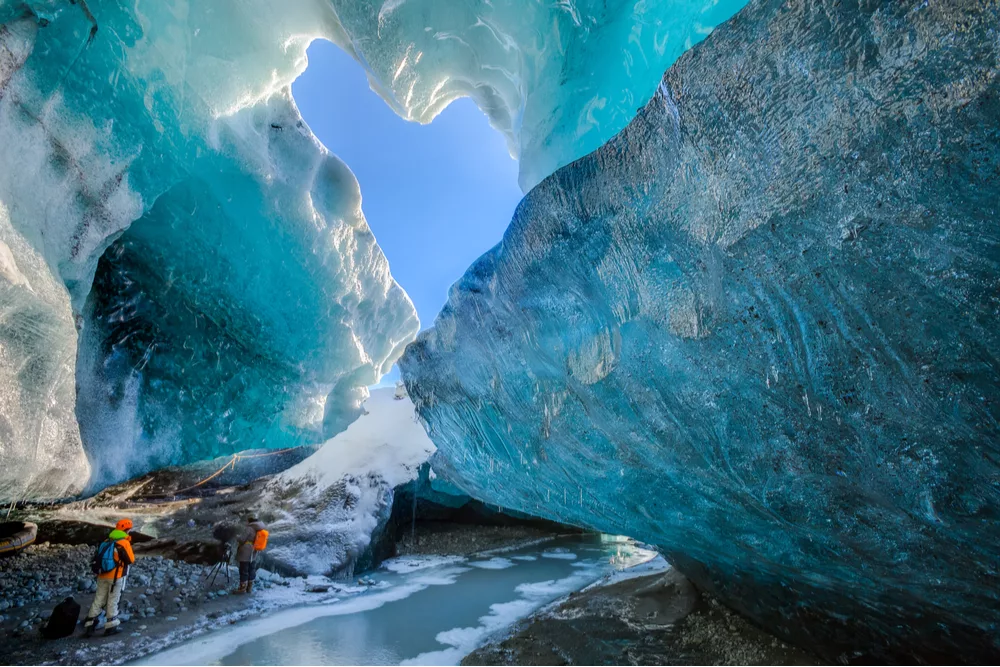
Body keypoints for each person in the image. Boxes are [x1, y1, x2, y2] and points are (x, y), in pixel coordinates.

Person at [83, 518, 135, 636]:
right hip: (116, 576)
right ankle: (111, 626)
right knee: (113, 600)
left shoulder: (106, 540)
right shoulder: (123, 542)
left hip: (102, 575)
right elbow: (131, 560)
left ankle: (90, 624)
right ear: (127, 530)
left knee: (99, 599)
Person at [235, 516, 266, 594]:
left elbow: (242, 539)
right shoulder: (259, 528)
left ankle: (242, 588)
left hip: (246, 551)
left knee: (243, 569)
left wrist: (236, 537)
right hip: (254, 551)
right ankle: (249, 588)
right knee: (251, 569)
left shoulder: (249, 528)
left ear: (249, 520)